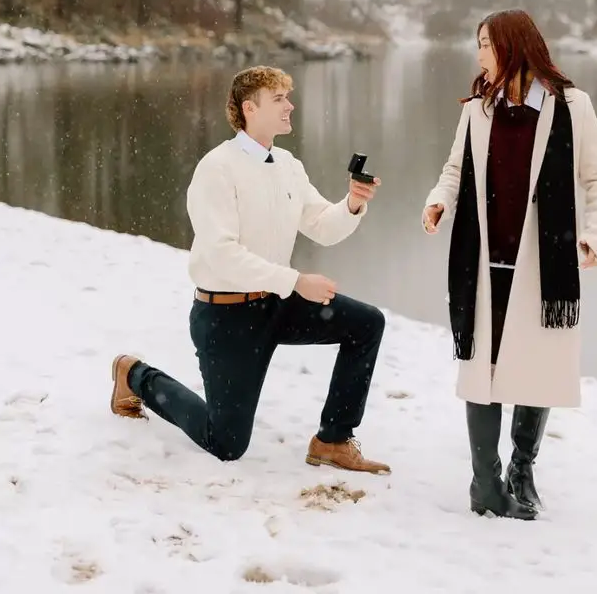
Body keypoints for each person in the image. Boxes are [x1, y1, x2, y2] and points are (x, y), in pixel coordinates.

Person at [110, 65, 390, 475]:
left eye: (287, 97)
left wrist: (351, 204)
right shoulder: (216, 168)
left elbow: (321, 226)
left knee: (367, 324)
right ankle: (134, 375)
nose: (289, 105)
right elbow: (222, 254)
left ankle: (332, 440)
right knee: (225, 443)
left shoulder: (289, 165)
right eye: (279, 99)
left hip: (276, 304)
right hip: (226, 316)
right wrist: (295, 281)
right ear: (249, 108)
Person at [422, 10, 597, 519]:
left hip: (545, 259)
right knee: (483, 368)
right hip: (483, 259)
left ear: (511, 48)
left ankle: (521, 469)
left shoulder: (571, 107)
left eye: (485, 44)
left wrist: (594, 238)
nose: (479, 55)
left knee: (537, 364)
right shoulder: (476, 110)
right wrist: (440, 200)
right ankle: (483, 483)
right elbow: (454, 168)